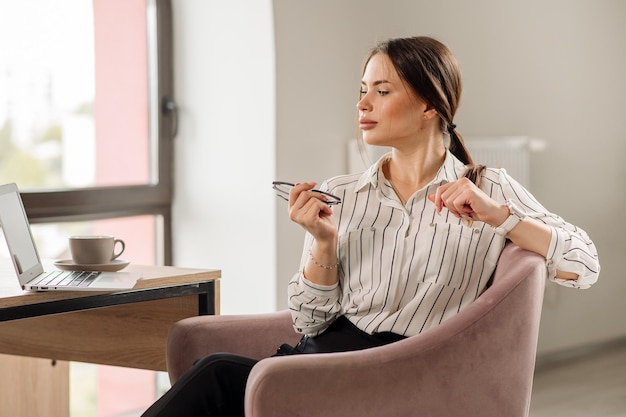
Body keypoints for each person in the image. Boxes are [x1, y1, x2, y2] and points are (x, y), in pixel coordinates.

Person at [141, 36, 600, 417]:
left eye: (382, 91)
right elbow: (308, 321)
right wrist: (322, 241)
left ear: (428, 105)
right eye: (362, 90)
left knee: (219, 375)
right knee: (216, 375)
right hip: (327, 359)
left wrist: (500, 217)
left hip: (405, 373)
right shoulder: (344, 194)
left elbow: (585, 264)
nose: (363, 103)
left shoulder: (488, 187)